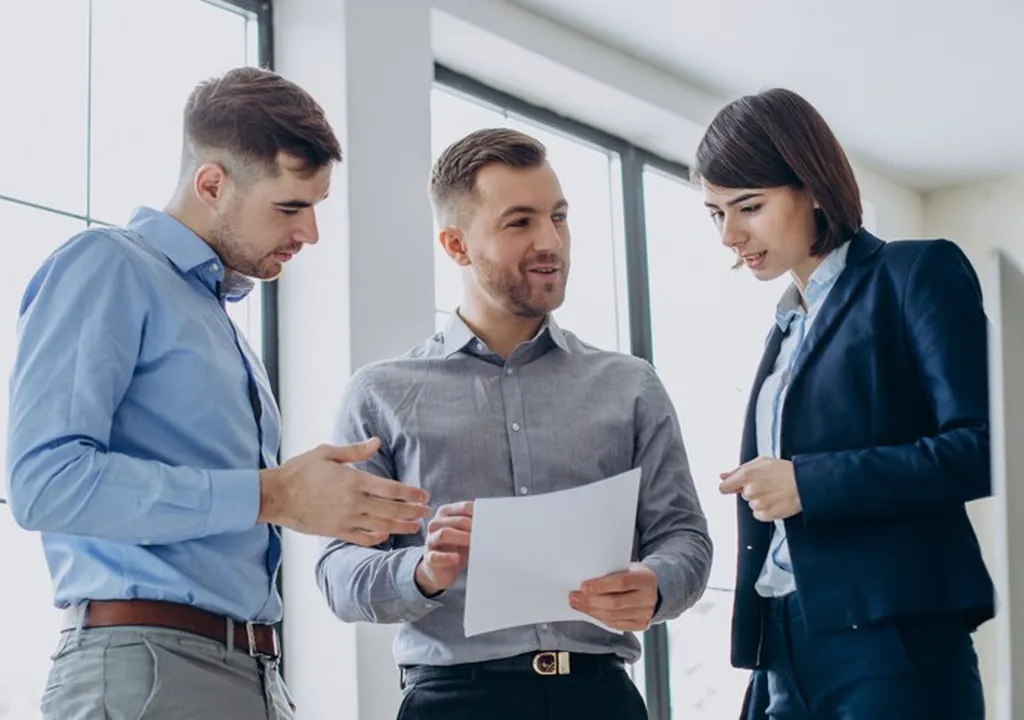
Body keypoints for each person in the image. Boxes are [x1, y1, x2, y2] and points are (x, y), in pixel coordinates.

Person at [5, 67, 432, 720]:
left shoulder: (214, 320)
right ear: (211, 183)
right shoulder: (107, 265)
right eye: (290, 207)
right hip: (148, 671)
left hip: (251, 673)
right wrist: (274, 493)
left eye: (315, 207)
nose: (309, 234)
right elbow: (45, 483)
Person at [315, 128, 713, 719]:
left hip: (601, 697)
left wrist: (655, 583)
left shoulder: (629, 386)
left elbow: (686, 538)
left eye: (559, 217)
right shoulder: (381, 394)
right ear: (455, 245)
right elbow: (337, 571)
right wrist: (421, 571)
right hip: (452, 701)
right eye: (520, 222)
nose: (550, 241)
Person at [697, 88, 994, 719]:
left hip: (891, 637)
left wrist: (810, 482)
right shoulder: (783, 331)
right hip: (781, 637)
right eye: (715, 213)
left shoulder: (915, 274)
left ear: (812, 185)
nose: (730, 234)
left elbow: (982, 447)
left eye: (748, 206)